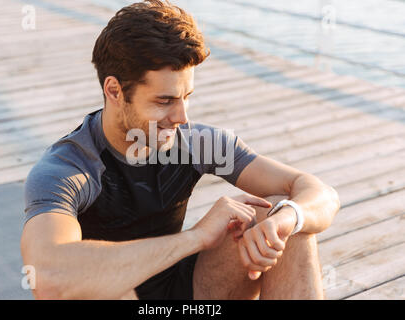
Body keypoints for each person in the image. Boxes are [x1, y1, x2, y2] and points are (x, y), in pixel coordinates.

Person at [21, 0, 340, 300]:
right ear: (115, 90)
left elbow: (319, 193)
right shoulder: (68, 168)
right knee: (97, 288)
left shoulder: (197, 143)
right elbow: (47, 275)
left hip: (190, 293)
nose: (181, 117)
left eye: (186, 96)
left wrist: (286, 220)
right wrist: (196, 238)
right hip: (117, 293)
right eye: (165, 101)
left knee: (283, 215)